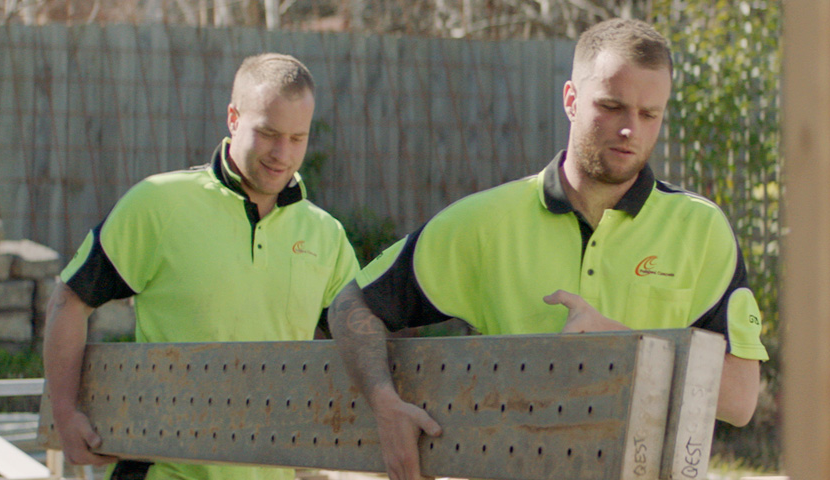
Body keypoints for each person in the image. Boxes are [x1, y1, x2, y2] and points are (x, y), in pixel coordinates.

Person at [327, 18, 768, 480]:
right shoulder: (486, 222)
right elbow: (352, 304)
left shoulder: (701, 229)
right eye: (611, 106)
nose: (629, 130)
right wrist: (384, 405)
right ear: (571, 100)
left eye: (649, 114)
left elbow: (740, 400)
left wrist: (625, 344)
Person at [43, 53, 359, 480]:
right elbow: (69, 300)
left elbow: (361, 345)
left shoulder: (327, 235)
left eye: (297, 138)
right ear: (233, 118)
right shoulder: (158, 204)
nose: (282, 154)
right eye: (267, 133)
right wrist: (65, 411)